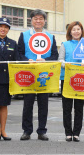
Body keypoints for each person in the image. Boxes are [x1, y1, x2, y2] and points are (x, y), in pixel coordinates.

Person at [18, 9, 58, 141]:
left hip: (44, 75)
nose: (38, 21)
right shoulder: (24, 35)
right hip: (28, 74)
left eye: (41, 18)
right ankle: (27, 131)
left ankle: (42, 131)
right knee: (27, 104)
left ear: (45, 21)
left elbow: (55, 55)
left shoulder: (51, 37)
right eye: (36, 18)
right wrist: (26, 60)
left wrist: (45, 60)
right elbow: (19, 54)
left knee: (43, 104)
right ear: (31, 20)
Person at [58, 21, 84, 142]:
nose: (76, 31)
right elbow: (60, 60)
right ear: (70, 32)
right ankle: (68, 133)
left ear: (81, 31)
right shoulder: (64, 44)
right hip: (67, 79)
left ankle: (76, 133)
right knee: (67, 107)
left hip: (81, 80)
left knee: (79, 108)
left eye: (78, 29)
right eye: (74, 29)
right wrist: (66, 65)